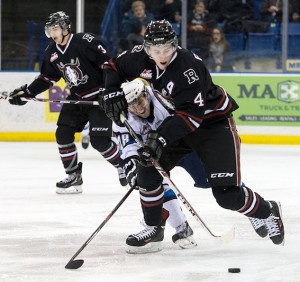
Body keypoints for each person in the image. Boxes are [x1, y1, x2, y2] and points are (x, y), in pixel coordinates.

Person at [100, 19, 285, 253]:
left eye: (166, 49)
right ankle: (154, 228)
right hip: (177, 122)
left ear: (174, 45)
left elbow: (191, 117)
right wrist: (110, 91)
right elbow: (112, 66)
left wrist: (159, 138)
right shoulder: (139, 57)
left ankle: (267, 210)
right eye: (156, 50)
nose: (162, 55)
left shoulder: (188, 68)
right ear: (147, 49)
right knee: (148, 170)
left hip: (212, 125)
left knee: (227, 196)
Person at [8, 11, 127, 194]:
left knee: (100, 141)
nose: (52, 33)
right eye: (49, 30)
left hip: (99, 96)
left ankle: (124, 165)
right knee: (62, 134)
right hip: (77, 98)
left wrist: (108, 90)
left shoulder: (85, 41)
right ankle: (73, 176)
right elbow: (47, 78)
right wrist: (28, 93)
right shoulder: (52, 51)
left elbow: (108, 65)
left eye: (55, 28)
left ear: (65, 28)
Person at [114, 78, 202, 252]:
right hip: (156, 153)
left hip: (184, 146)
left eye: (139, 101)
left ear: (146, 94)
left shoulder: (165, 104)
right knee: (151, 181)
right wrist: (133, 165)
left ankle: (250, 203)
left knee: (213, 179)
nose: (138, 108)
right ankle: (178, 229)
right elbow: (128, 145)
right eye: (132, 105)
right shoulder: (123, 117)